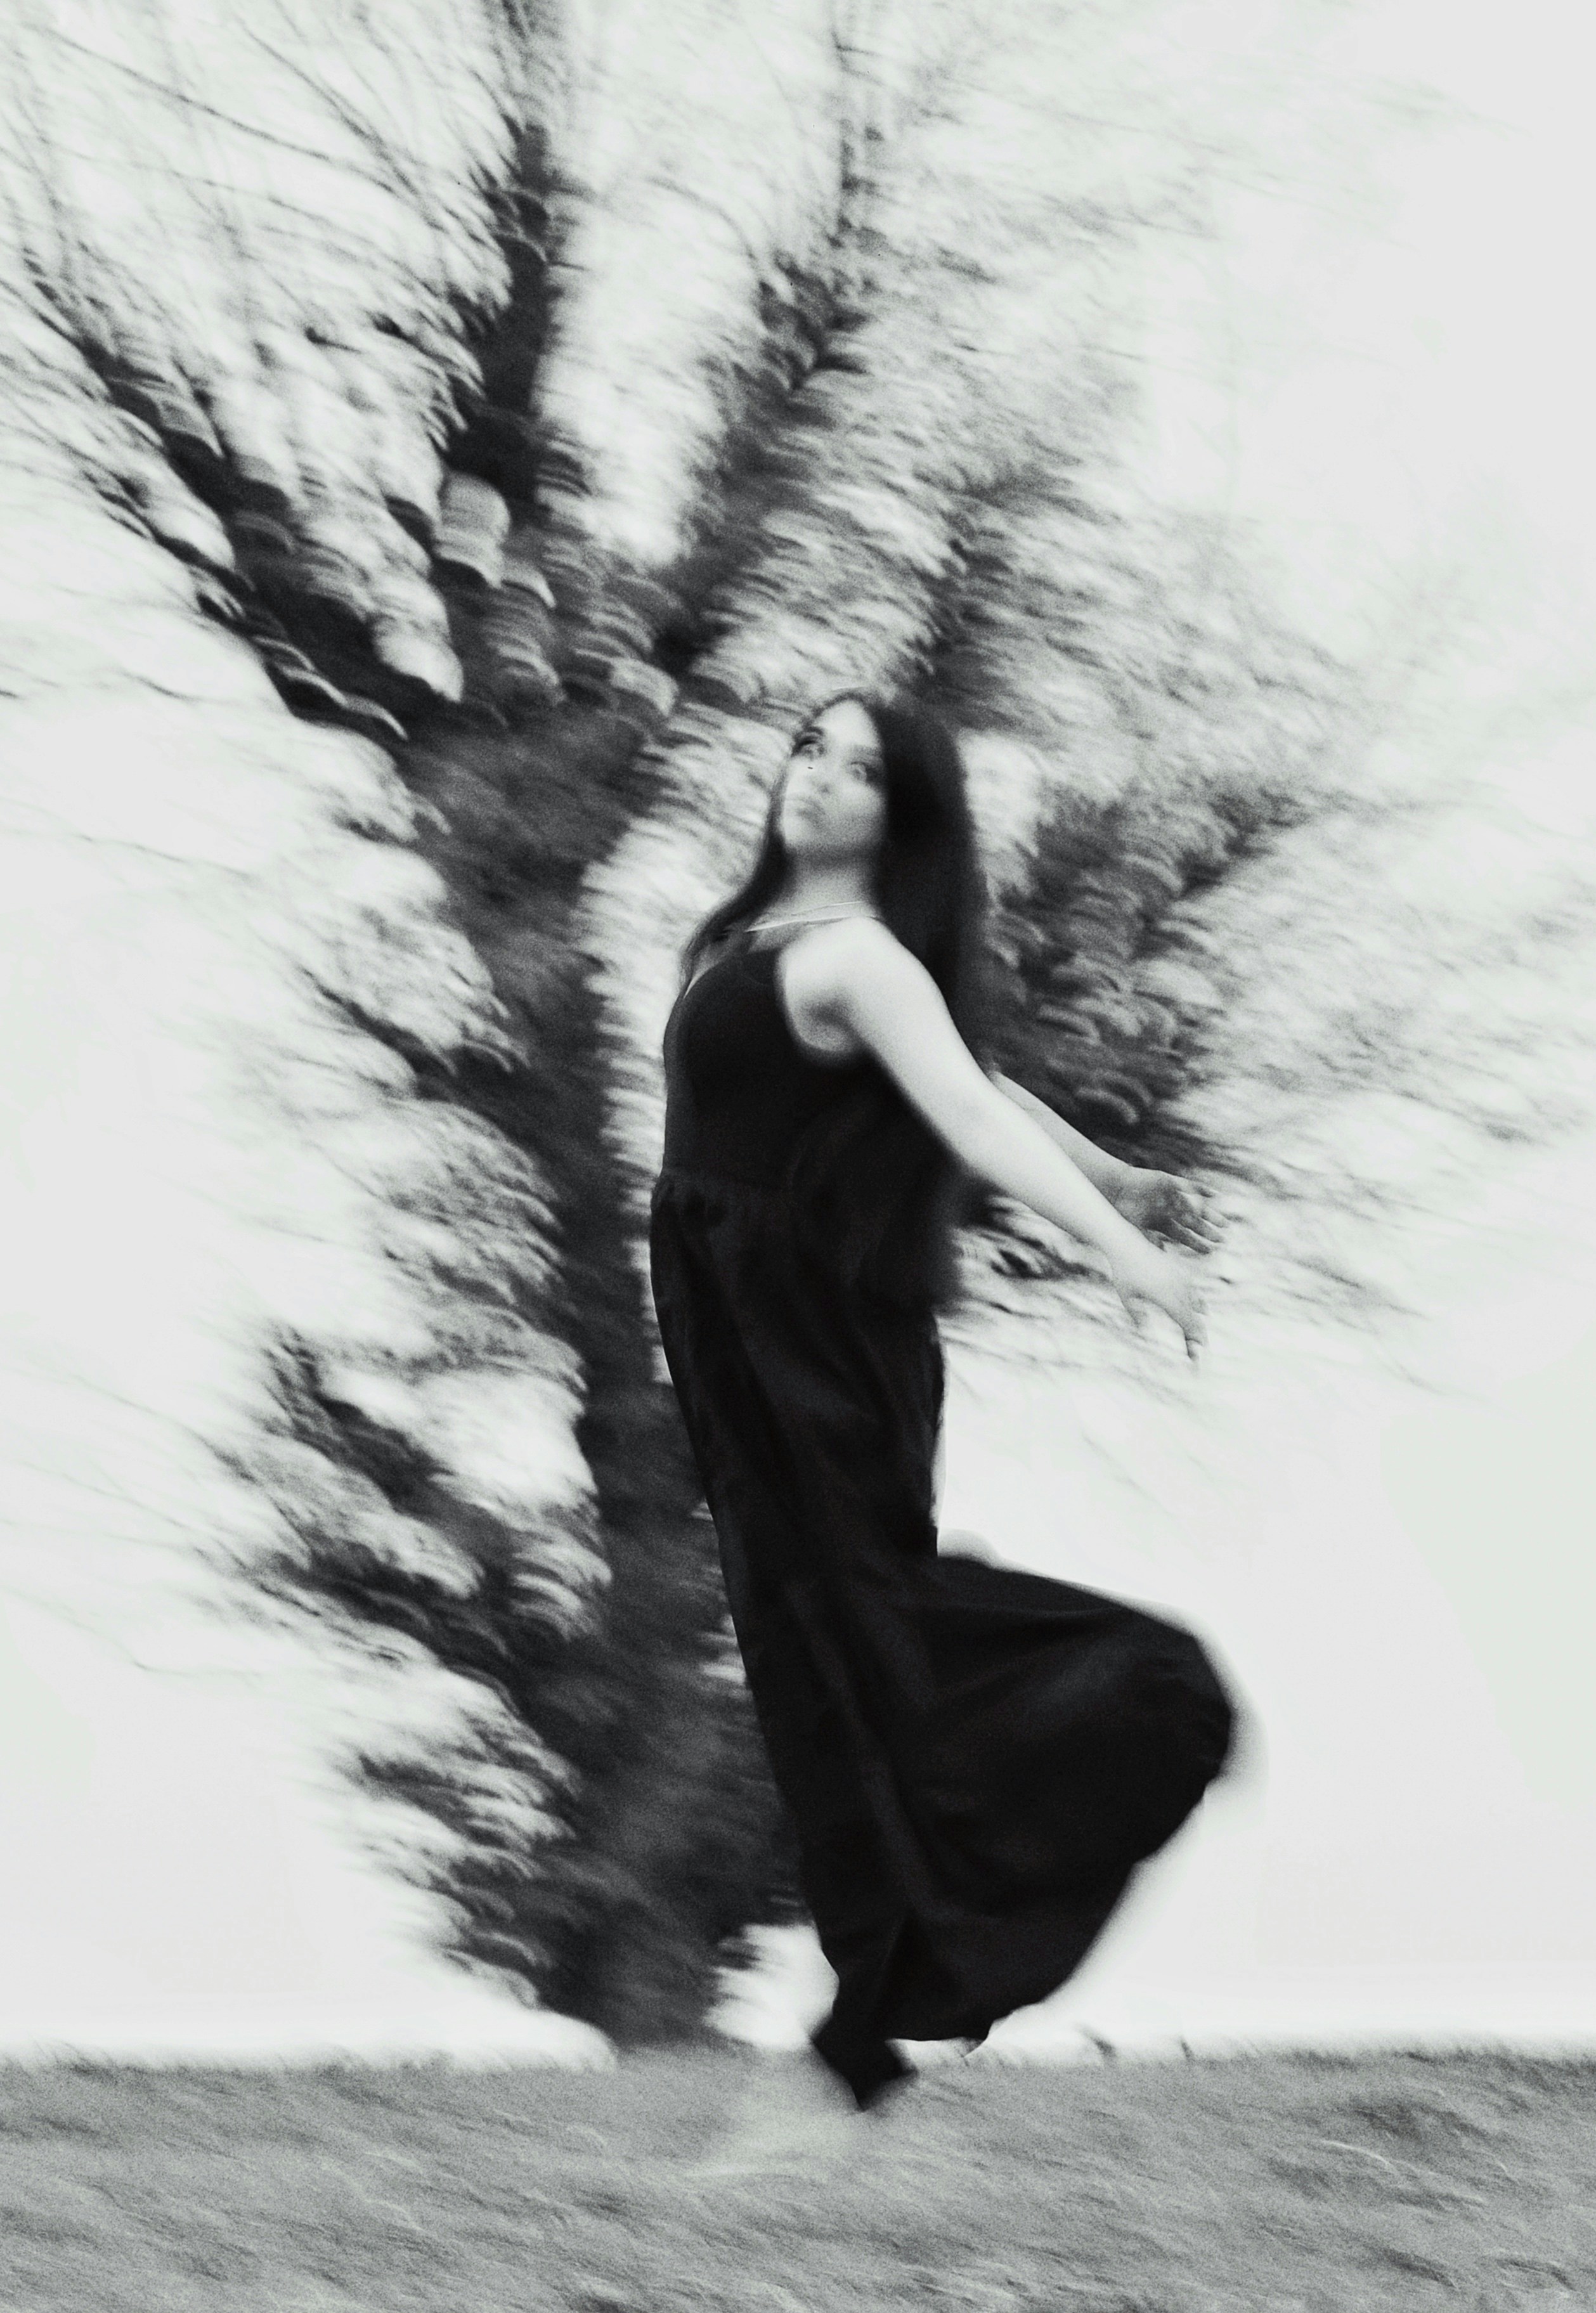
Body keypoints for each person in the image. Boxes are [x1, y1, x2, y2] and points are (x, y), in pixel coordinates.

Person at [649, 692, 1240, 2173]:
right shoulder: (752, 941)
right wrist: (1118, 1164)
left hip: (816, 1347)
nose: (824, 782)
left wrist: (1126, 1250)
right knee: (817, 1662)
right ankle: (860, 2038)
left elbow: (969, 1120)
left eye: (863, 771)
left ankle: (1145, 1704)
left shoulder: (853, 956)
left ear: (900, 816)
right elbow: (980, 1087)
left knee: (864, 1634)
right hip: (745, 1341)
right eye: (812, 750)